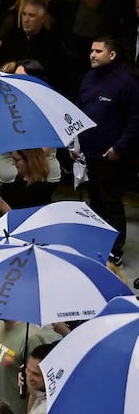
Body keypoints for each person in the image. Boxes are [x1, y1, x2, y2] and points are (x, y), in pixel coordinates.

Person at [77, 36, 139, 267]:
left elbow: (136, 119)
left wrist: (119, 148)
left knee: (110, 202)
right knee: (95, 202)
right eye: (91, 50)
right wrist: (76, 144)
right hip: (88, 153)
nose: (92, 54)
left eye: (98, 51)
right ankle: (97, 244)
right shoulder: (88, 77)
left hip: (112, 155)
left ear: (111, 55)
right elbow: (79, 110)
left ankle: (116, 250)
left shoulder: (126, 82)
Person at [0, 0, 60, 77]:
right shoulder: (12, 36)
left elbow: (49, 70)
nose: (26, 20)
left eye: (31, 15)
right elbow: (0, 63)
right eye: (24, 14)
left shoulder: (51, 42)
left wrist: (19, 66)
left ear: (42, 19)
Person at [0, 148, 57, 213]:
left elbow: (27, 221)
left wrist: (3, 207)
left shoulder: (41, 189)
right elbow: (12, 203)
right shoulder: (19, 178)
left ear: (30, 160)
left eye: (17, 160)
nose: (13, 163)